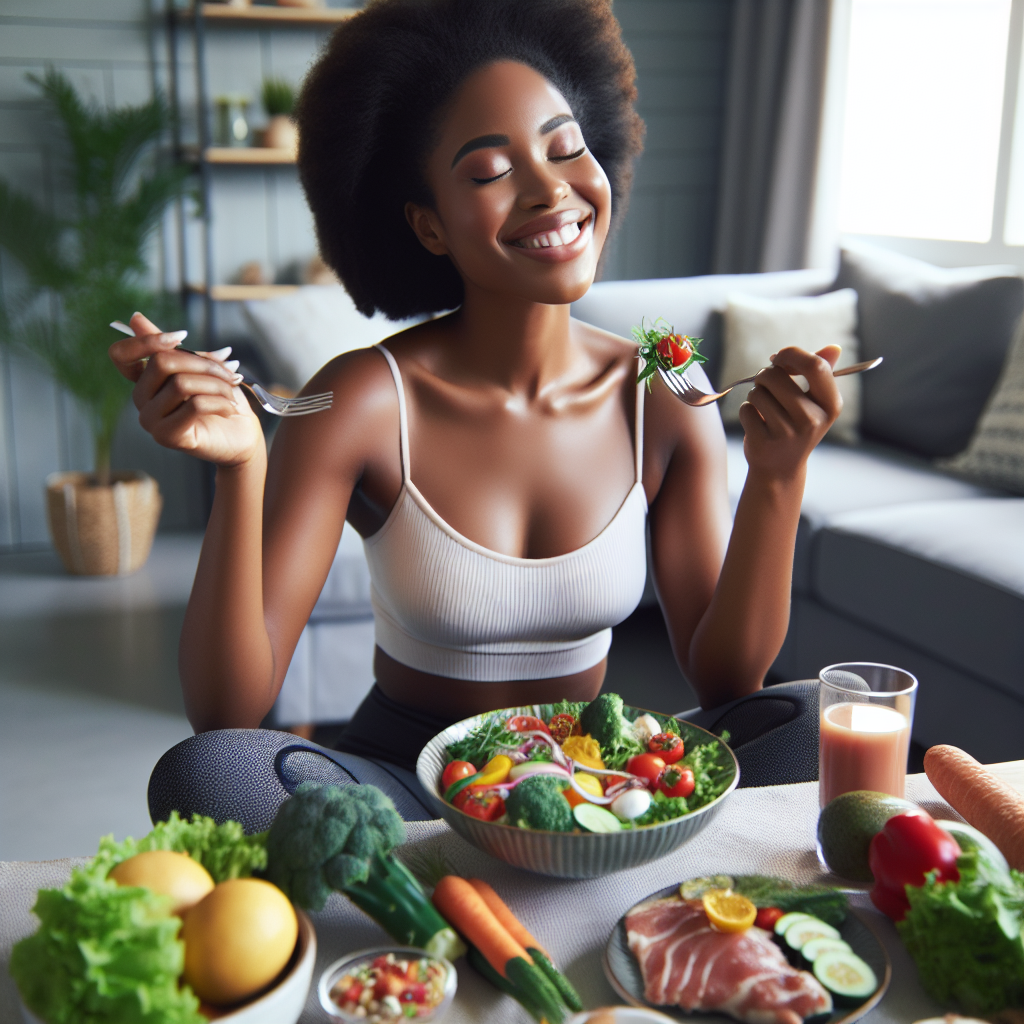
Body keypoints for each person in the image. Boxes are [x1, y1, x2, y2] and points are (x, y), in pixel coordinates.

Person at [111, 0, 841, 816]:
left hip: (598, 777)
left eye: (566, 149)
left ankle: (538, 863)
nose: (550, 190)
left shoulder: (664, 387)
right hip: (406, 784)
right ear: (429, 226)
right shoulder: (358, 399)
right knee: (212, 775)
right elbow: (226, 713)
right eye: (491, 172)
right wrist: (244, 465)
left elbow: (728, 680)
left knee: (814, 723)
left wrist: (778, 477)